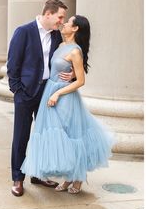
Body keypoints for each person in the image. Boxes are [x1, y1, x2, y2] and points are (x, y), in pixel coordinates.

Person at [21, 15, 114, 194]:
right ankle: (68, 177)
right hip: (51, 93)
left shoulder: (75, 51)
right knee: (60, 138)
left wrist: (58, 92)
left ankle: (77, 178)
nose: (63, 24)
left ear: (75, 28)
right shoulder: (61, 46)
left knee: (70, 136)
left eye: (68, 22)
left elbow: (80, 81)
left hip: (65, 97)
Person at [7, 0, 74, 197]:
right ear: (48, 14)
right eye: (59, 17)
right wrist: (17, 90)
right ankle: (18, 178)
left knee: (43, 135)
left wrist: (73, 75)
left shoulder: (56, 36)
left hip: (48, 92)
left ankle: (38, 173)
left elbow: (68, 58)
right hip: (25, 94)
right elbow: (13, 64)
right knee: (21, 136)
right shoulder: (24, 31)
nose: (62, 21)